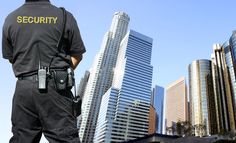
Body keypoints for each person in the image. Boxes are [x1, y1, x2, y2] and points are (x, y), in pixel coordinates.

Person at [2, 0, 86, 142]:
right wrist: (60, 75)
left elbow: (11, 58)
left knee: (22, 139)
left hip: (24, 90)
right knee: (65, 138)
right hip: (57, 88)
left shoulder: (11, 18)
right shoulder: (65, 16)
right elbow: (77, 55)